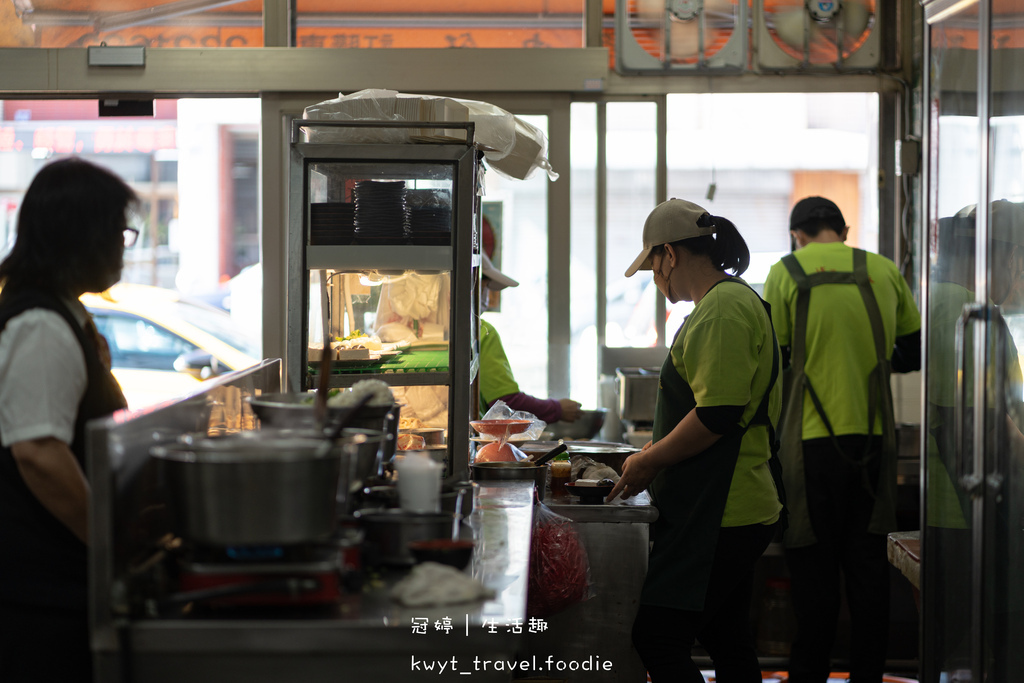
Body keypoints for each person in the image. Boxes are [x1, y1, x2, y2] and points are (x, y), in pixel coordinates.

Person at [608, 198, 785, 682]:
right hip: (730, 504)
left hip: (723, 510)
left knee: (657, 639)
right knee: (727, 640)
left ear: (670, 254)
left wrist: (649, 460)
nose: (654, 278)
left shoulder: (723, 310)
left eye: (652, 266)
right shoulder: (727, 301)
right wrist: (652, 454)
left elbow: (718, 415)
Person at [761, 196, 921, 683]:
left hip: (809, 448)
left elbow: (776, 357)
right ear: (843, 231)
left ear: (798, 235)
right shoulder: (884, 270)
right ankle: (867, 678)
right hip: (874, 444)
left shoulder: (785, 272)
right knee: (870, 572)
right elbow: (911, 352)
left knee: (814, 575)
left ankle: (809, 677)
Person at [0, 157, 135, 683]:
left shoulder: (61, 314)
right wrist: (111, 547)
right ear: (82, 235)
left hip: (50, 586)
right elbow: (39, 453)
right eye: (118, 230)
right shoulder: (39, 324)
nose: (124, 244)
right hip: (40, 596)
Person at [478, 222, 581, 425]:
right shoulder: (482, 332)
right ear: (472, 283)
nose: (488, 298)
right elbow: (506, 403)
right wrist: (557, 409)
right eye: (486, 286)